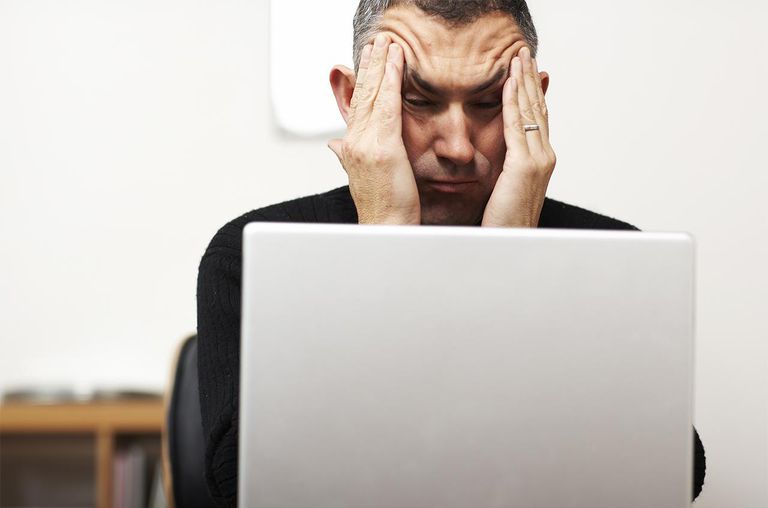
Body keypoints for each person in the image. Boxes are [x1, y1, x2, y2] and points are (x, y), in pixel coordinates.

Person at [196, 1, 706, 505]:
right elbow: (246, 482)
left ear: (532, 104)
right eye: (418, 99)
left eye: (488, 104)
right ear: (354, 99)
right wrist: (384, 245)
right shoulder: (247, 256)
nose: (458, 147)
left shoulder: (614, 261)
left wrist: (515, 266)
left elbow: (671, 474)